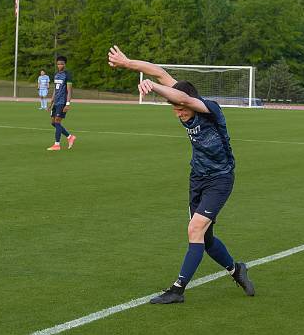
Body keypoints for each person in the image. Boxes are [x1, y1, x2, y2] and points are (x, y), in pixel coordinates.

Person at [107, 45, 254, 304]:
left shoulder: (208, 108)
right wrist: (128, 63)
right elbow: (159, 71)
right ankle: (236, 269)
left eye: (180, 108)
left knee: (194, 229)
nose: (179, 113)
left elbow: (183, 98)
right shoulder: (181, 97)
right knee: (205, 239)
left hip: (220, 178)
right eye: (173, 109)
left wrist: (152, 87)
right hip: (197, 178)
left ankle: (177, 290)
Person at [47, 56, 76, 151]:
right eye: (58, 64)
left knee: (57, 121)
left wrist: (67, 103)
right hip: (56, 102)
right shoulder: (56, 75)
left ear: (65, 64)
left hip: (62, 102)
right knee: (53, 122)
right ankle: (70, 137)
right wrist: (51, 102)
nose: (60, 65)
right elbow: (56, 90)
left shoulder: (67, 75)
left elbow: (69, 90)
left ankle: (57, 144)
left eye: (62, 64)